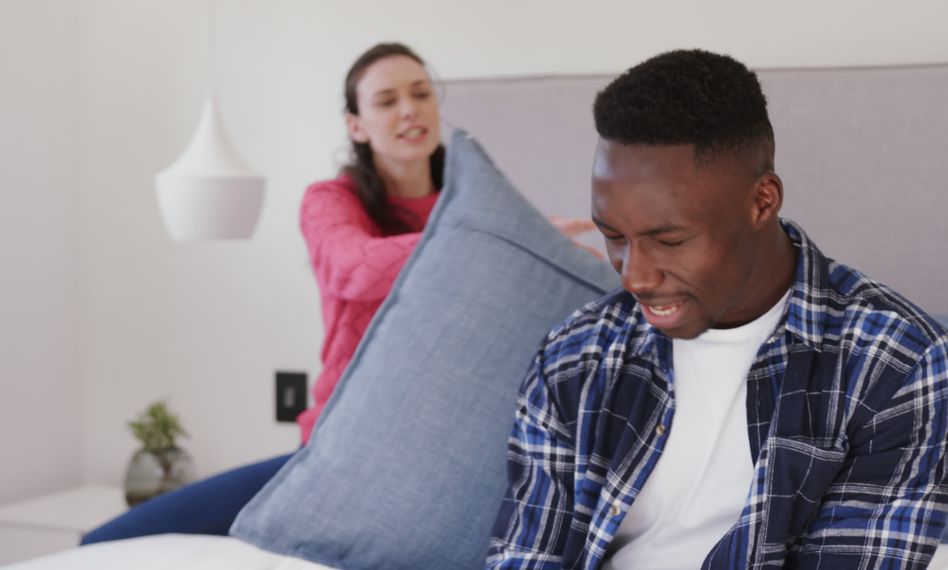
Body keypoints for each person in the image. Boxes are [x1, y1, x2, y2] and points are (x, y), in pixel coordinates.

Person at [83, 42, 595, 545]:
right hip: (337, 446)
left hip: (434, 459)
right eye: (386, 100)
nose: (410, 109)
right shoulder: (333, 201)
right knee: (112, 540)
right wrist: (487, 238)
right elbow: (351, 267)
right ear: (356, 125)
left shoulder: (478, 212)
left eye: (420, 93)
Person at [487, 49, 948, 570]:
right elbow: (525, 555)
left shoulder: (897, 362)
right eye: (613, 237)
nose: (635, 276)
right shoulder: (575, 356)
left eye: (669, 240)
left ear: (762, 201)